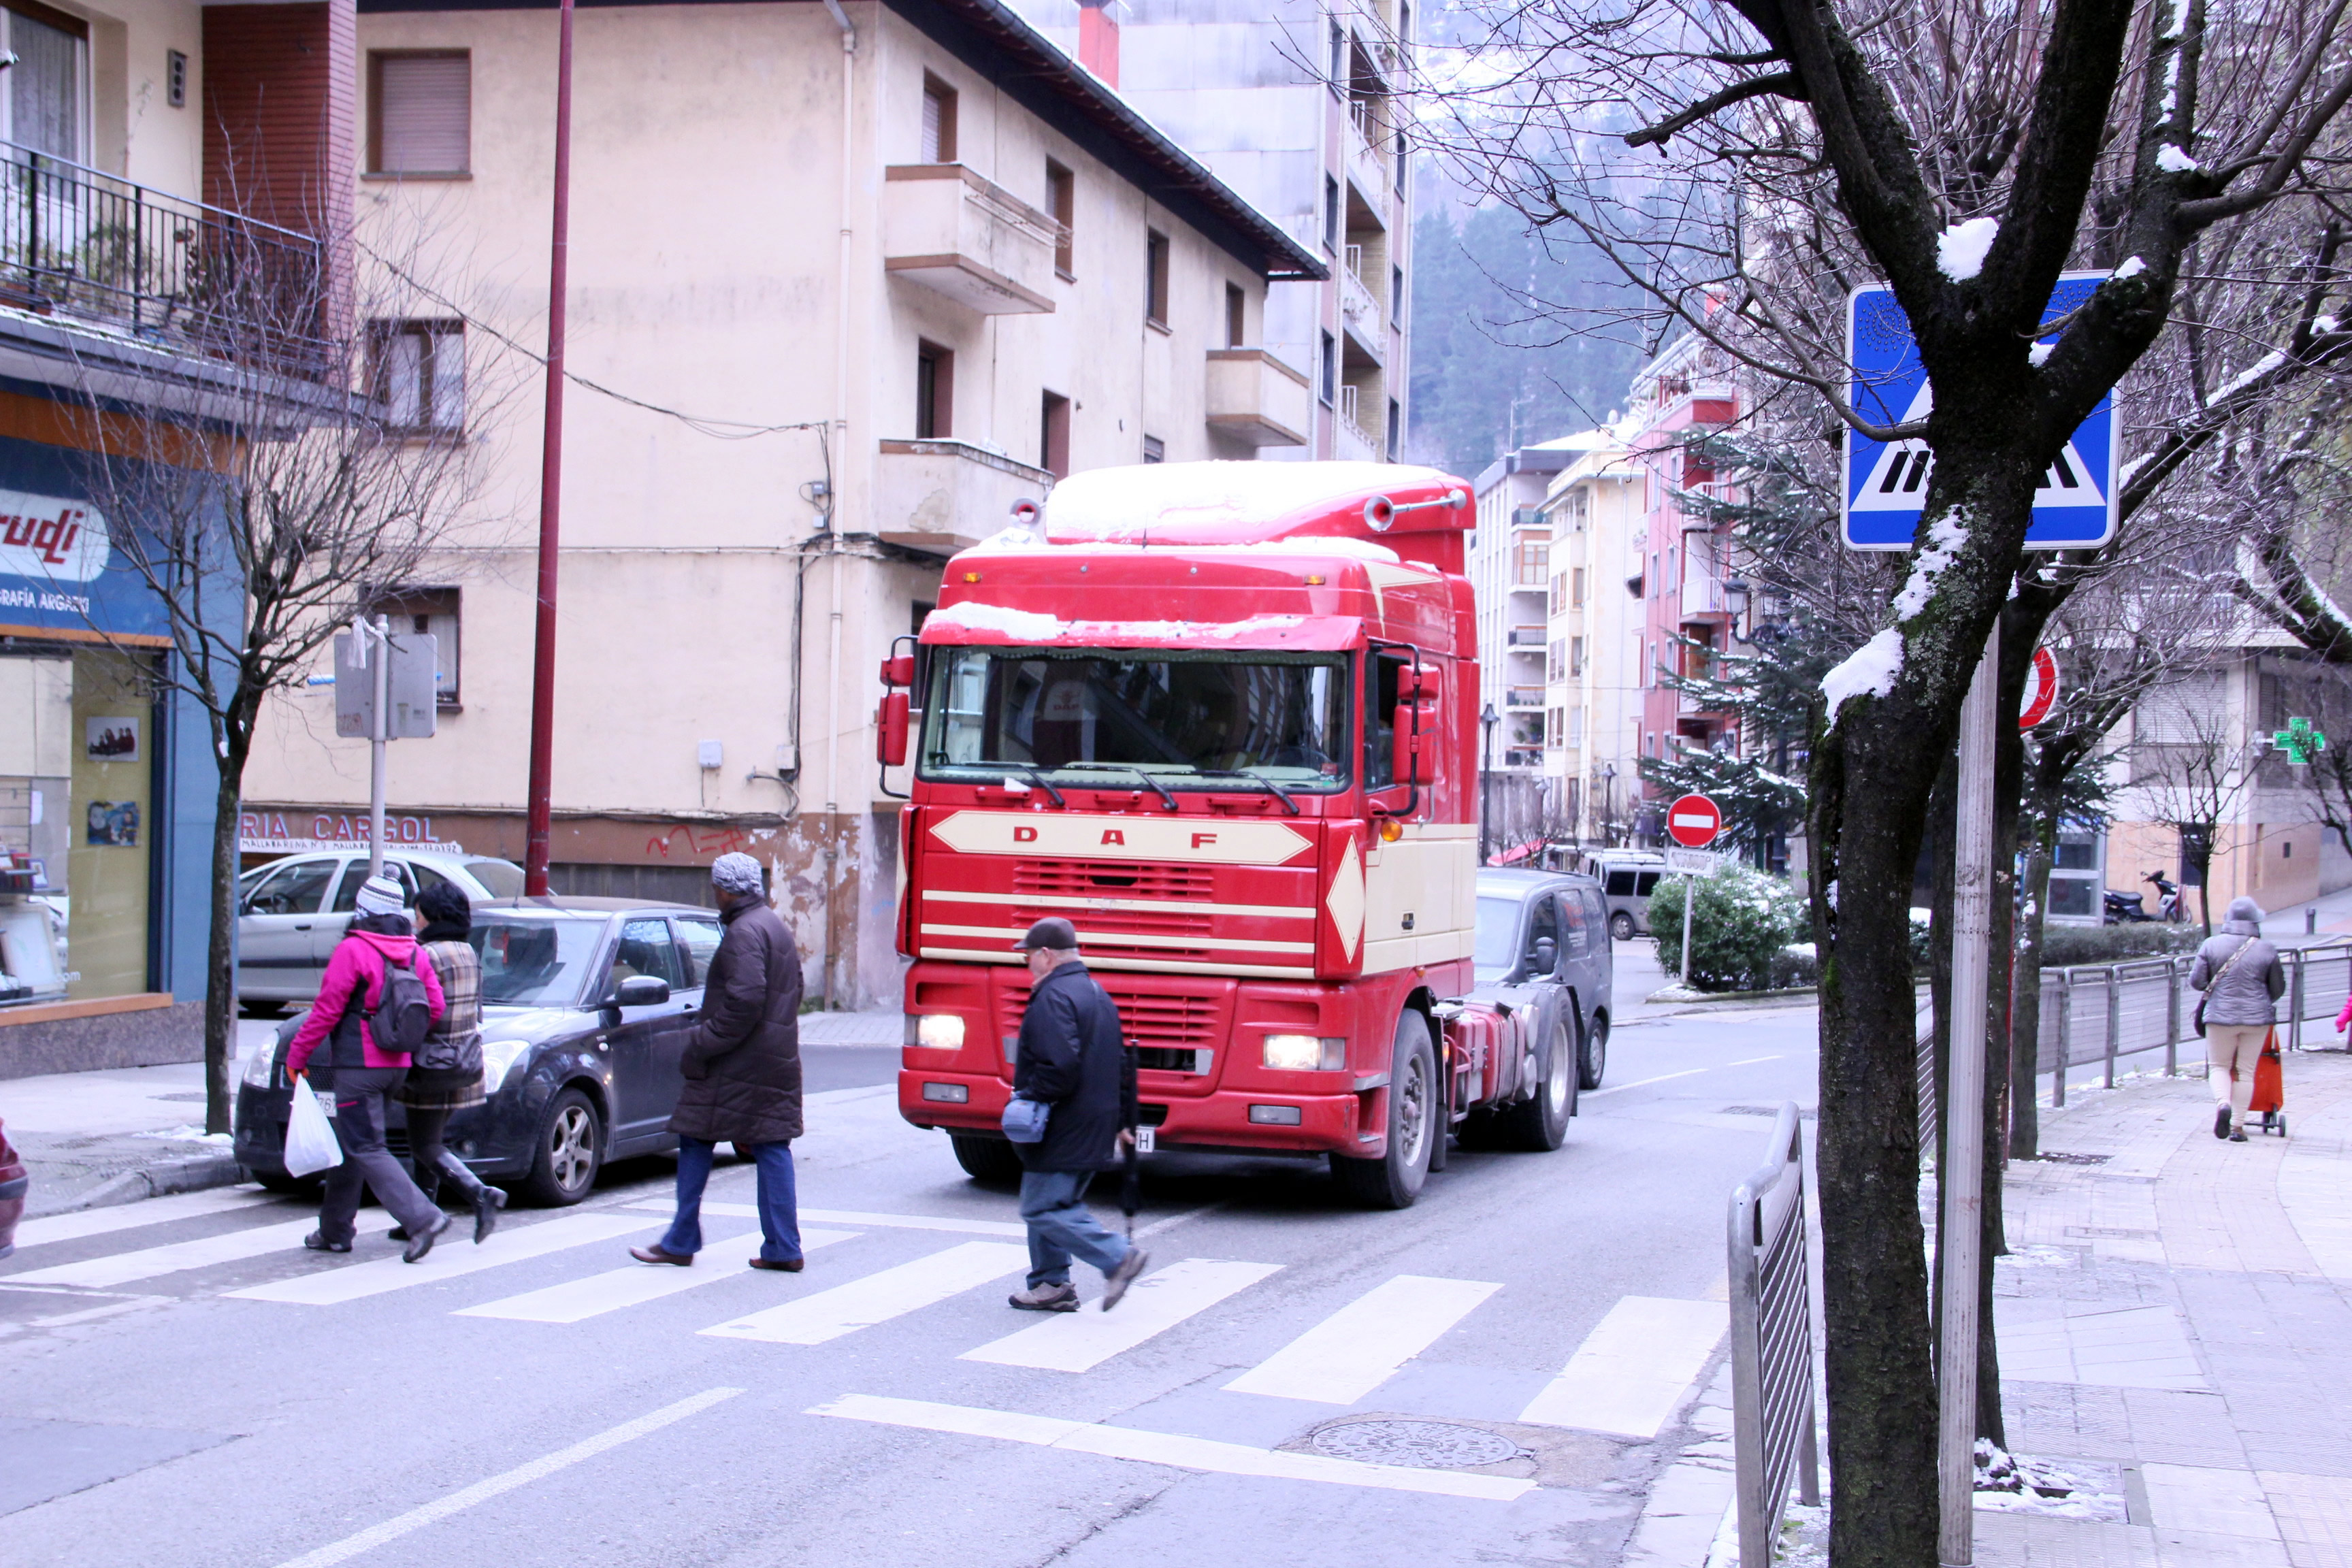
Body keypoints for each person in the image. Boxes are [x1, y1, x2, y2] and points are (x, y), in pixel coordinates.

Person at [630, 853, 806, 1271]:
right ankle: (783, 1247)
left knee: (695, 1137)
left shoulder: (743, 932)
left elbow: (745, 1000)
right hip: (772, 1057)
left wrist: (703, 1041)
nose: (715, 894)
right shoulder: (772, 924)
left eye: (716, 888)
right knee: (771, 1145)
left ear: (728, 890)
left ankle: (681, 1241)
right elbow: (793, 987)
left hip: (735, 1060)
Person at [284, 872, 451, 1260]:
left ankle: (423, 1218)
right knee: (353, 1144)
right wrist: (399, 1036)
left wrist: (297, 1055)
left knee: (366, 1146)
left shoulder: (353, 950)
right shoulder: (415, 952)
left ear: (363, 910)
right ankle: (335, 1230)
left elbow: (326, 1012)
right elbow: (436, 1007)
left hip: (358, 1066)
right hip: (397, 1066)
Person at [1004, 917, 1150, 1313]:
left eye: (1028, 956)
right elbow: (1120, 1064)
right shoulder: (1097, 994)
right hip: (1095, 1121)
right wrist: (1121, 1122)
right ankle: (1051, 1283)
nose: (1027, 964)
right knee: (1054, 1202)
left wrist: (1027, 1097)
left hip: (1064, 1122)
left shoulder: (1053, 996)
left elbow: (1060, 1066)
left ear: (1046, 955)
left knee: (1041, 1208)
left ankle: (1118, 1257)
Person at [387, 882, 506, 1246]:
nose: (415, 922)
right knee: (430, 1138)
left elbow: (417, 1009)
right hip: (464, 1060)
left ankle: (480, 1194)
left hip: (432, 1062)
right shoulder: (467, 951)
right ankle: (423, 1212)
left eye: (419, 915)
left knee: (423, 1144)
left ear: (434, 916)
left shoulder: (426, 954)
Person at [2189, 896, 2285, 1144]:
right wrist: (2259, 1000)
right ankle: (2238, 1127)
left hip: (2220, 1017)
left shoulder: (2211, 945)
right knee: (2246, 1071)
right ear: (2255, 922)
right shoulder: (2267, 949)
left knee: (2219, 1067)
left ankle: (2223, 1104)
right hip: (2256, 1020)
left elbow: (2197, 982)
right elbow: (2277, 989)